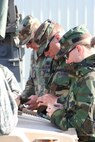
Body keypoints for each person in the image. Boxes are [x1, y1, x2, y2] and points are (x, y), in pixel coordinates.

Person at [46, 24, 95, 141]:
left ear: (78, 49)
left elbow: (83, 127)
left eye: (67, 55)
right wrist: (64, 107)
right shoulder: (83, 74)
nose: (67, 61)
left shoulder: (89, 78)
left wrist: (55, 114)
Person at [34, 19, 75, 107]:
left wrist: (56, 100)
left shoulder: (77, 57)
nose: (45, 54)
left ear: (57, 37)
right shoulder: (56, 60)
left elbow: (87, 97)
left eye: (46, 49)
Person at [17, 15, 41, 110]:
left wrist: (39, 100)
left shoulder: (54, 52)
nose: (27, 47)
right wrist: (21, 99)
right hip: (42, 113)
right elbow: (31, 82)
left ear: (38, 34)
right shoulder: (34, 54)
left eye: (29, 42)